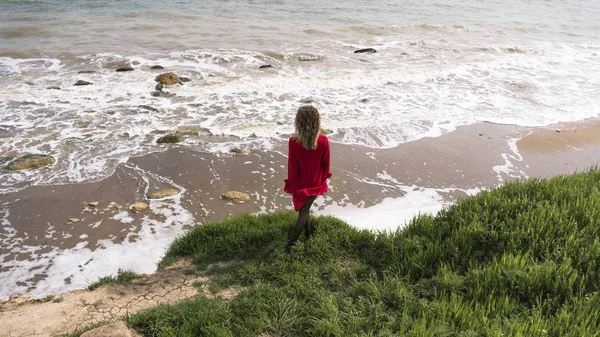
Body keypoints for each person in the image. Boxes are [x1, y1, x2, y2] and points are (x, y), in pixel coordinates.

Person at [284, 105, 332, 251]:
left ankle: (291, 244)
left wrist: (292, 184)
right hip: (315, 182)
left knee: (303, 211)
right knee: (305, 210)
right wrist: (324, 177)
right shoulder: (323, 141)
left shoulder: (294, 142)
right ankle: (309, 235)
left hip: (301, 182)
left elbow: (292, 166)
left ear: (299, 122)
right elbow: (326, 163)